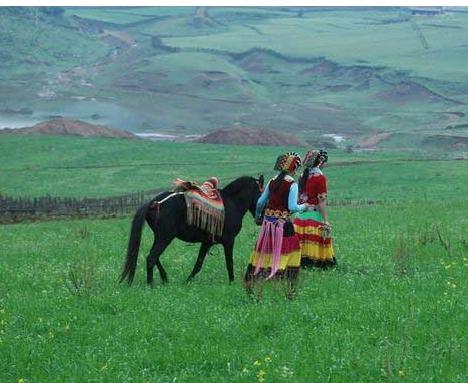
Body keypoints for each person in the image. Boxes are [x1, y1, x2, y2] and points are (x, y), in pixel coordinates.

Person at [244, 152, 307, 290]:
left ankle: (255, 275)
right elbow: (292, 207)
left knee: (264, 249)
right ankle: (283, 278)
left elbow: (260, 202)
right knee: (292, 249)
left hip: (267, 224)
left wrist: (257, 216)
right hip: (283, 225)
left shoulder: (272, 181)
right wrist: (304, 206)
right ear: (293, 168)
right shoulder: (292, 184)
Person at [294, 150, 336, 268]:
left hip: (299, 218)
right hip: (313, 217)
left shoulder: (303, 176)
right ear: (320, 162)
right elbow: (321, 201)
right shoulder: (320, 178)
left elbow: (298, 197)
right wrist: (326, 220)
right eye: (324, 162)